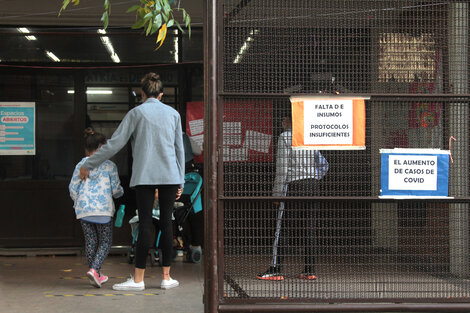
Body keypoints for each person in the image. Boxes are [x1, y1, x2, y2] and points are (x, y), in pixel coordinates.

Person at [79, 72, 185, 291]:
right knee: (166, 223)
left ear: (142, 93)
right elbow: (179, 150)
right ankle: (166, 278)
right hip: (171, 175)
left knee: (145, 223)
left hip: (145, 176)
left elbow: (114, 144)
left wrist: (89, 163)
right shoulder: (173, 114)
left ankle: (138, 280)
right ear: (161, 95)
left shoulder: (136, 113)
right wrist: (180, 179)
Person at [257, 116, 329, 281]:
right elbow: (324, 164)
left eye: (283, 119)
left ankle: (276, 268)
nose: (281, 122)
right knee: (309, 227)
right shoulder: (309, 135)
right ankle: (309, 270)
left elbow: (282, 168)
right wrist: (313, 177)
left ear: (290, 120)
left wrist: (277, 193)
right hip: (312, 186)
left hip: (294, 185)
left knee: (283, 227)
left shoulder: (285, 137)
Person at [69, 127, 124, 288]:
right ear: (101, 148)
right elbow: (116, 190)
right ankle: (94, 270)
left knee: (91, 242)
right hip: (103, 210)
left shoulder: (81, 165)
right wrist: (121, 194)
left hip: (84, 210)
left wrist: (78, 203)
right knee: (105, 242)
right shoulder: (110, 166)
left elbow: (72, 188)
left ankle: (96, 273)